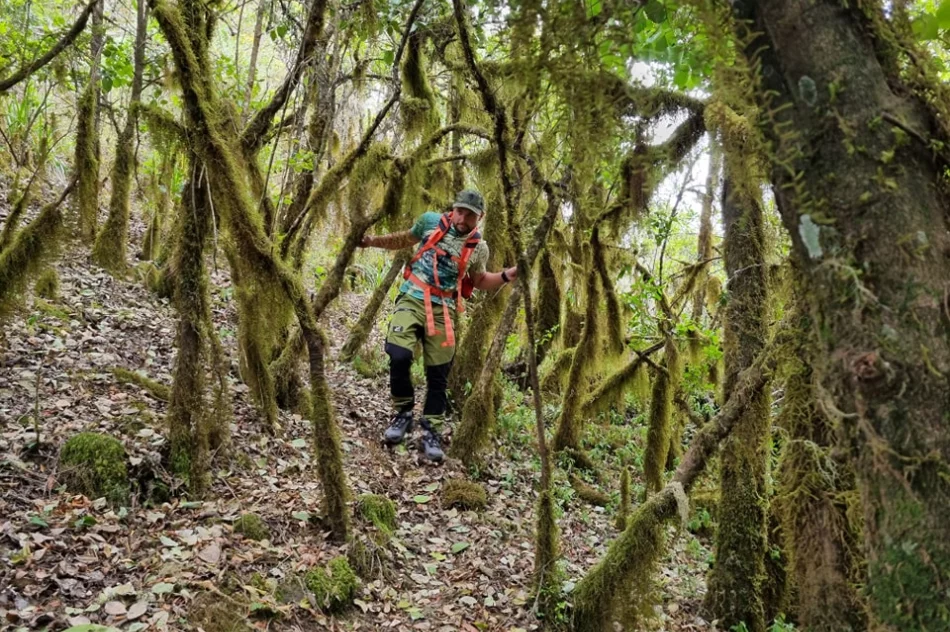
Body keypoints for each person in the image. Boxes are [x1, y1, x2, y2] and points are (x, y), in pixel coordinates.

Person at [358, 189, 518, 463]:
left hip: (443, 309)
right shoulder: (430, 222)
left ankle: (431, 429)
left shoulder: (479, 247)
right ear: (453, 208)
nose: (462, 218)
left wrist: (506, 275)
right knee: (398, 355)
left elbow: (478, 280)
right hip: (412, 296)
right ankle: (403, 412)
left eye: (470, 215)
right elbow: (403, 239)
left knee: (438, 372)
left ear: (480, 218)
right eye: (460, 211)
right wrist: (371, 241)